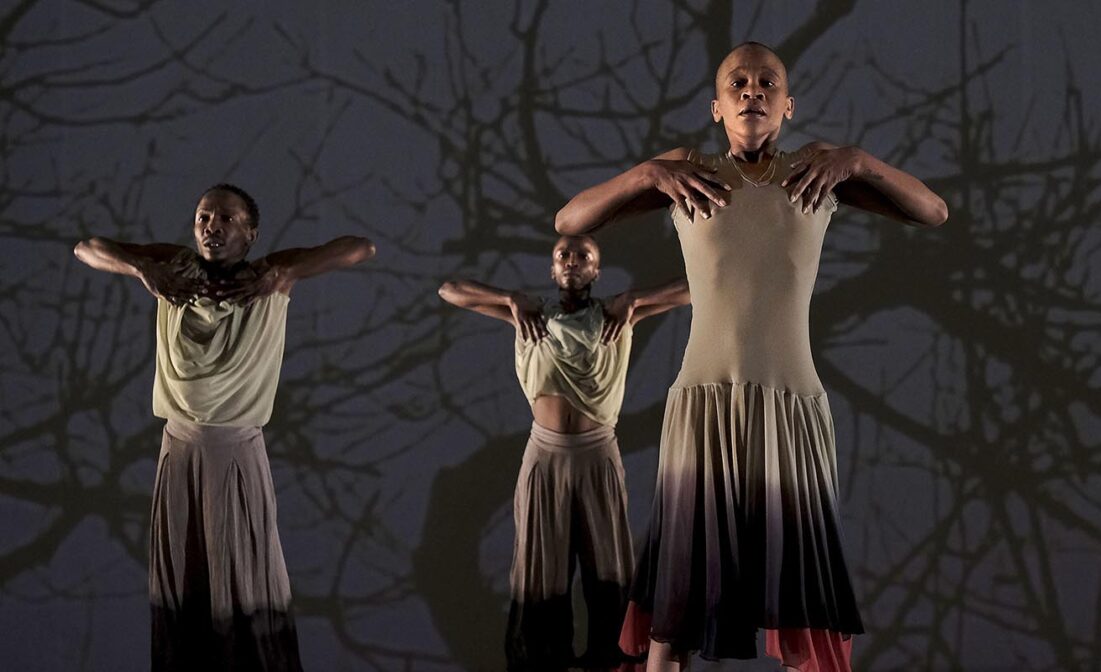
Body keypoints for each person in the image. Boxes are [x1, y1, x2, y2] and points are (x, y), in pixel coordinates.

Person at [553, 41, 947, 672]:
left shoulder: (817, 172)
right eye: (738, 82)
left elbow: (933, 211)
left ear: (788, 106)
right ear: (717, 106)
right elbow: (569, 219)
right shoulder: (688, 172)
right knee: (676, 608)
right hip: (703, 406)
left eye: (768, 83)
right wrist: (648, 172)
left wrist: (859, 161)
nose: (752, 90)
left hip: (792, 404)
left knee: (802, 599)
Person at [72, 183, 376, 671]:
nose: (212, 226)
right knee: (185, 584)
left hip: (234, 450)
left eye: (226, 219)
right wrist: (141, 267)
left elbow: (361, 248)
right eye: (203, 218)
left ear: (250, 234)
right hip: (180, 450)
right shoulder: (174, 267)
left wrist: (285, 270)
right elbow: (86, 248)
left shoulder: (268, 276)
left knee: (243, 581)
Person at [438, 234, 690, 671]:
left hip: (597, 457)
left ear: (596, 270)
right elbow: (449, 289)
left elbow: (697, 286)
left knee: (609, 566)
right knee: (539, 569)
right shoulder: (530, 316)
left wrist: (636, 298)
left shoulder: (615, 315)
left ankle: (615, 662)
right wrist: (509, 298)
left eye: (583, 256)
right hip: (545, 457)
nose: (572, 262)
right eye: (563, 256)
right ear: (552, 269)